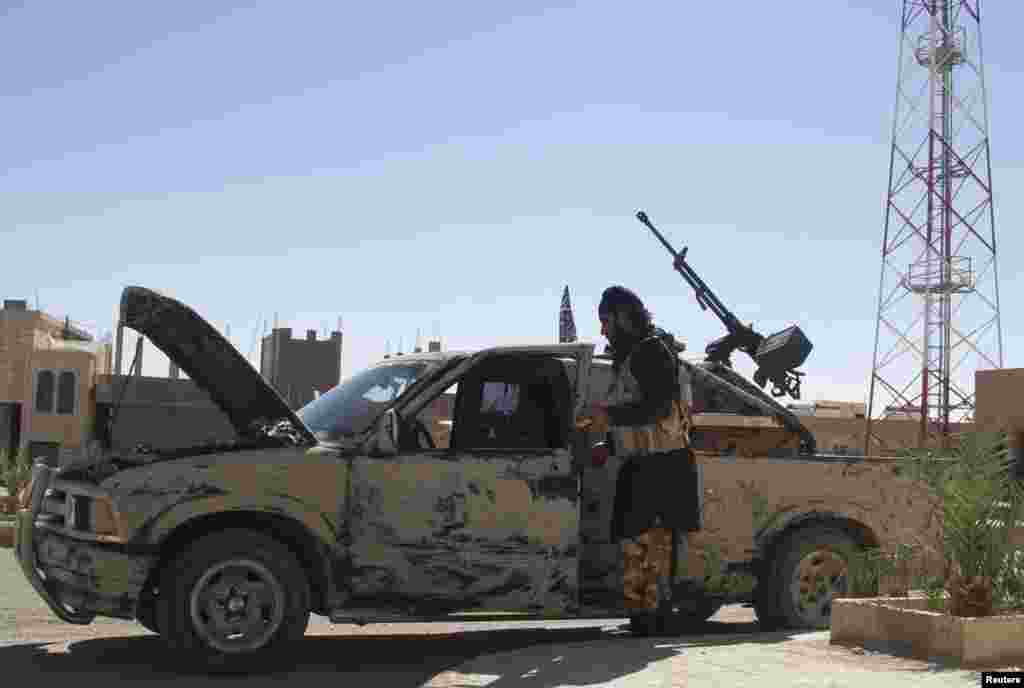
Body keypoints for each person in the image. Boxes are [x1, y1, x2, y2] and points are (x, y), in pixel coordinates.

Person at [581, 285, 696, 635]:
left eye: (605, 321)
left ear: (622, 316)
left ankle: (651, 621)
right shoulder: (634, 354)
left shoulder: (650, 352)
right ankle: (643, 619)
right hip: (644, 463)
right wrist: (609, 444)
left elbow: (658, 409)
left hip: (661, 466)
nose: (602, 330)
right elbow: (641, 415)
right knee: (637, 544)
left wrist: (606, 415)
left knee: (649, 547)